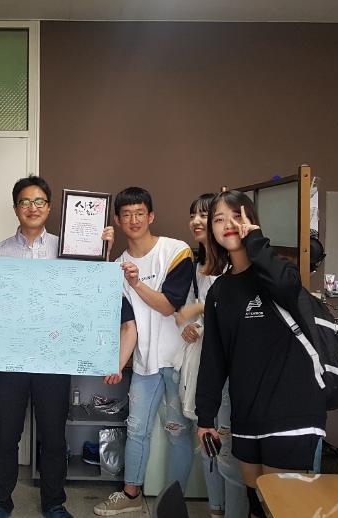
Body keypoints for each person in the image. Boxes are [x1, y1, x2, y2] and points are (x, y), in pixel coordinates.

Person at [0, 176, 113, 518]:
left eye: (39, 201)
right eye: (25, 202)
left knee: (54, 436)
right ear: (15, 208)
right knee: (6, 436)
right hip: (10, 361)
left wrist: (104, 251)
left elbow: (91, 289)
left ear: (50, 207)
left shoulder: (68, 248)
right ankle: (0, 502)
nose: (32, 207)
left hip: (55, 359)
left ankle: (54, 503)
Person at [195, 190, 327, 518]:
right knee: (257, 505)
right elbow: (213, 359)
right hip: (246, 415)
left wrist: (254, 239)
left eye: (236, 216)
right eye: (219, 219)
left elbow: (288, 286)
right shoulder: (219, 291)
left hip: (291, 413)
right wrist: (205, 418)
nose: (228, 224)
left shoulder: (275, 273)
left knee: (284, 507)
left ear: (251, 220)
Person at [94, 187, 194, 516]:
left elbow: (168, 306)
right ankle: (131, 494)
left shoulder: (176, 251)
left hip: (179, 361)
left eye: (140, 213)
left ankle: (174, 502)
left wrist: (137, 283)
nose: (134, 220)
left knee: (178, 433)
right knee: (136, 429)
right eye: (127, 215)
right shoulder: (117, 267)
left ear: (151, 216)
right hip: (144, 364)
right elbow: (129, 327)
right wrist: (117, 365)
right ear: (117, 221)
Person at [177, 193, 248, 518]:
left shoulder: (236, 264)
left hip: (230, 371)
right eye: (193, 214)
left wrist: (198, 311)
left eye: (206, 215)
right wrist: (190, 326)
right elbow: (190, 315)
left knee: (227, 453)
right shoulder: (195, 266)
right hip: (204, 366)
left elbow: (231, 309)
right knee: (207, 445)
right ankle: (215, 511)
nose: (197, 221)